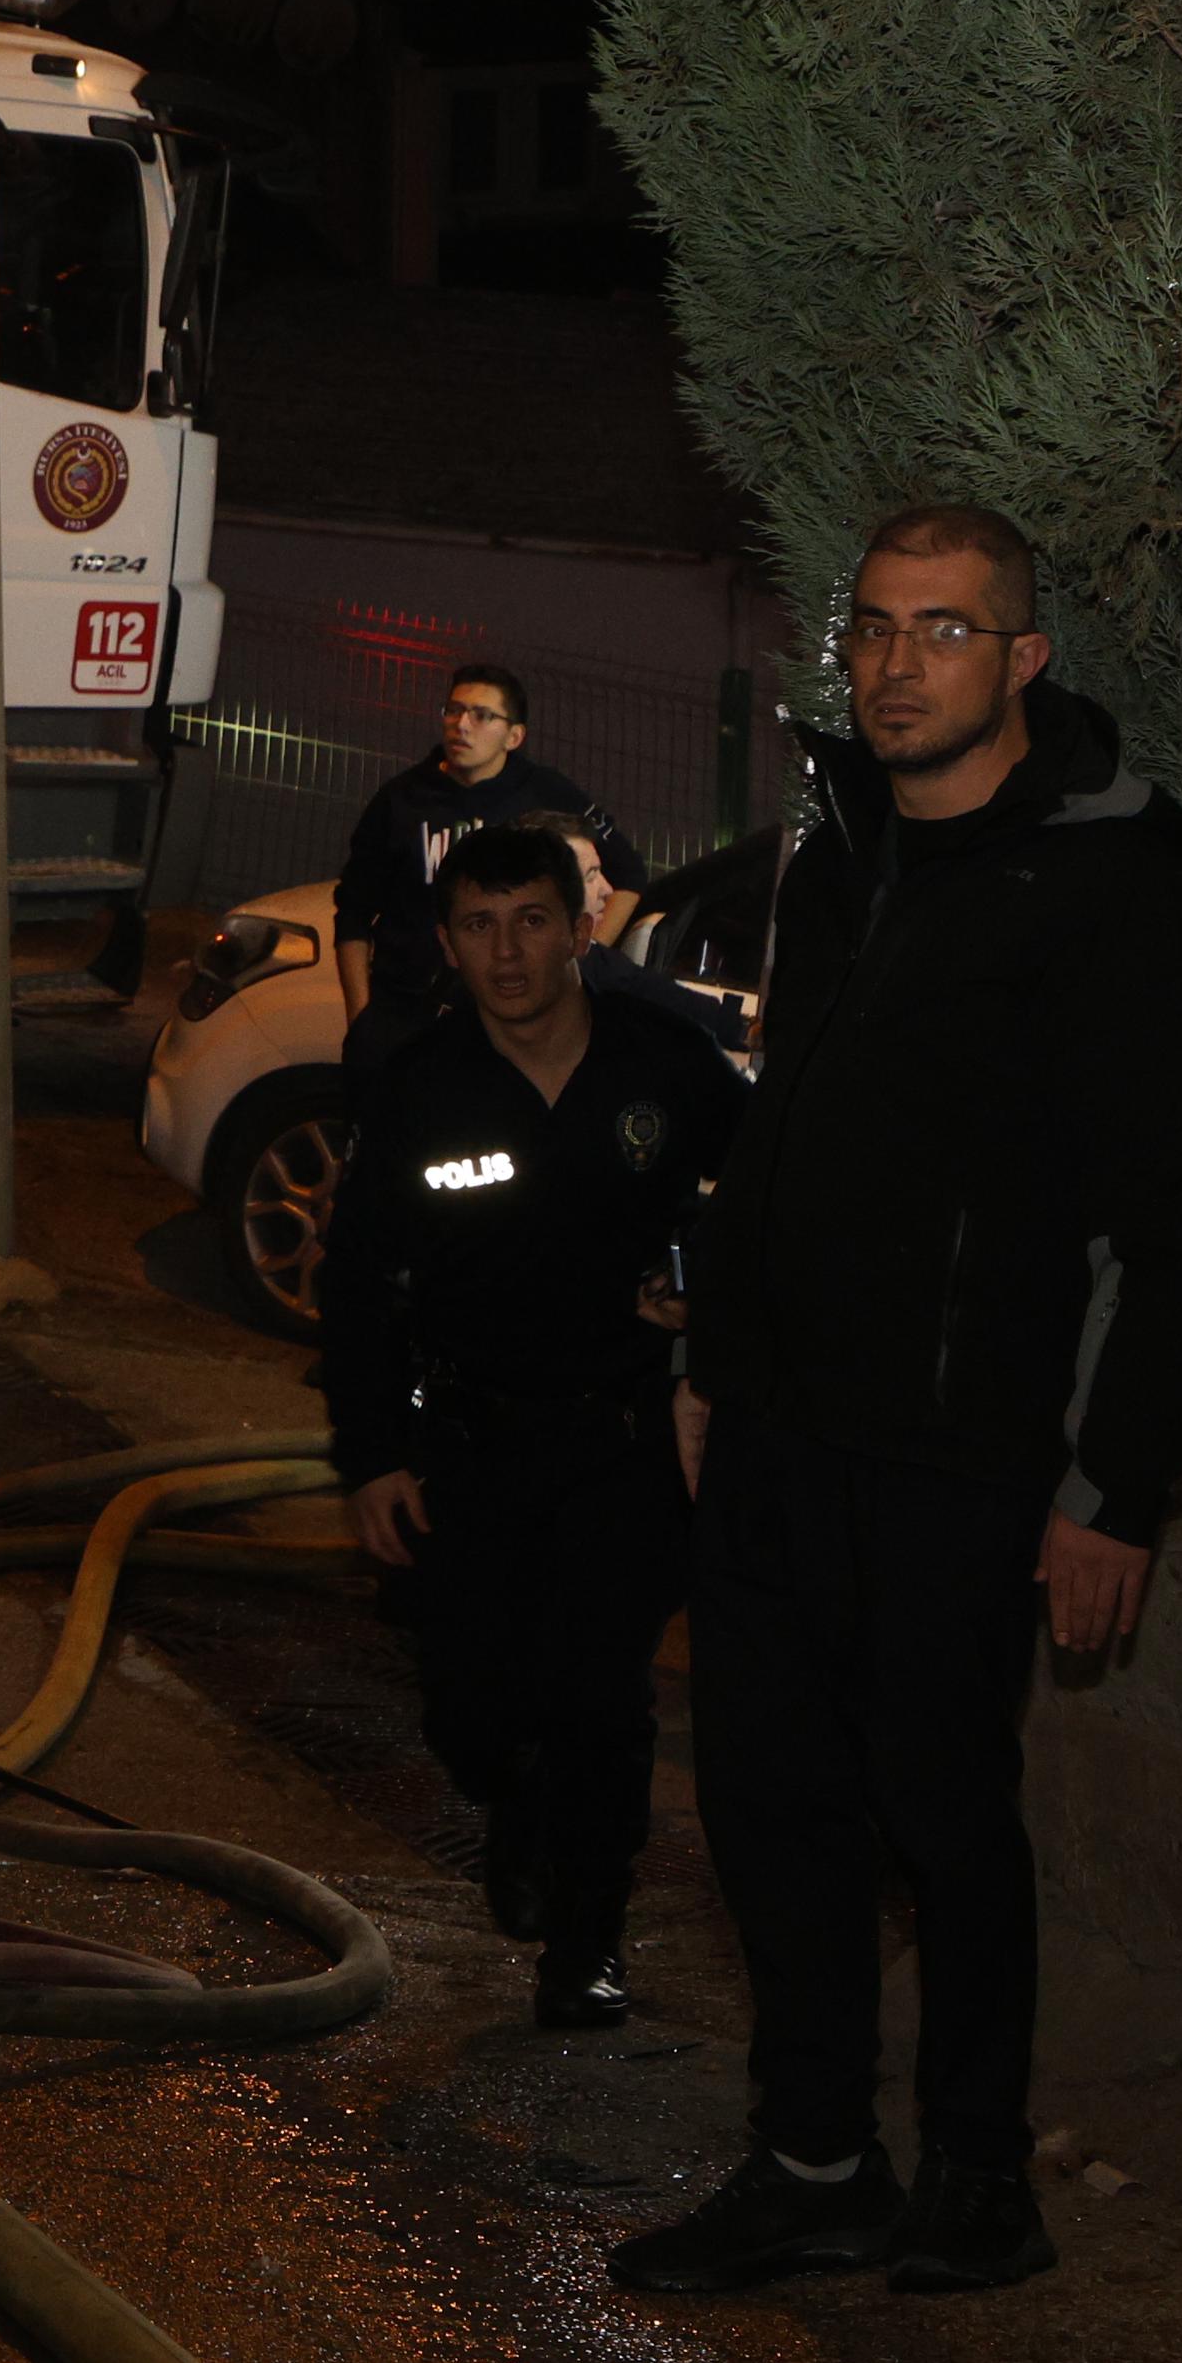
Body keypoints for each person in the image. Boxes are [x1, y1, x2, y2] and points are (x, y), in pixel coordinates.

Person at [610, 502, 1182, 2301]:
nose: (895, 663)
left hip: (968, 1449)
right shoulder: (840, 852)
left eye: (943, 630)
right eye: (875, 628)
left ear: (1024, 660)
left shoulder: (1120, 893)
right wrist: (712, 1365)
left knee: (942, 1813)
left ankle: (978, 2166)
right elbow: (777, 1135)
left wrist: (1113, 1483)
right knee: (764, 1798)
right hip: (783, 1427)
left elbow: (1162, 1222)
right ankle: (815, 2155)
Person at [322, 822, 741, 2029]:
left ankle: (587, 1940)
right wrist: (370, 1457)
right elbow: (355, 1291)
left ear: (578, 928)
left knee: (602, 1699)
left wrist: (698, 1291)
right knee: (471, 1708)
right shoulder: (416, 1088)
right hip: (466, 1446)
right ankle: (513, 1802)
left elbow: (763, 1199)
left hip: (620, 1443)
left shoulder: (661, 1066)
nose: (505, 954)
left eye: (530, 922)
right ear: (445, 943)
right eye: (476, 926)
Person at [333, 661, 642, 1068]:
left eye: (482, 716)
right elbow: (353, 915)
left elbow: (630, 874)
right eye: (453, 710)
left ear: (514, 736)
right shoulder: (401, 800)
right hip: (405, 1017)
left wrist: (582, 957)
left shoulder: (545, 793)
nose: (462, 725)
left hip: (503, 1024)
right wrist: (362, 1021)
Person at [518, 806, 747, 1059]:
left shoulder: (590, 960)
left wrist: (745, 1028)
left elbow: (663, 998)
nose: (607, 889)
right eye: (591, 875)